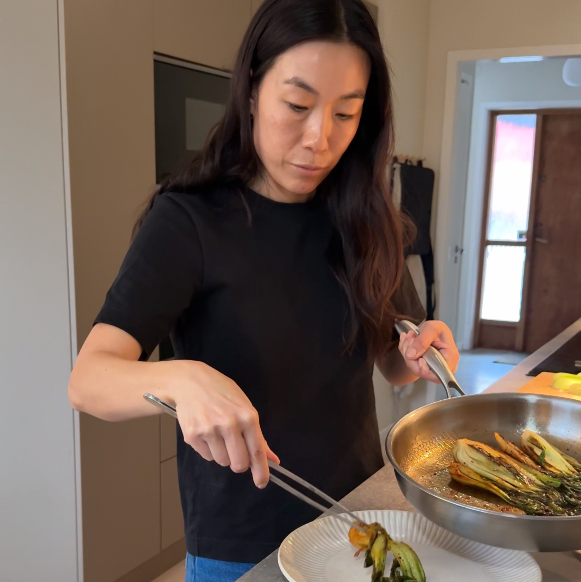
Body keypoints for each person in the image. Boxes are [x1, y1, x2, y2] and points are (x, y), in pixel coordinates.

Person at [68, 1, 460, 580]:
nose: (319, 139)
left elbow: (393, 361)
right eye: (297, 106)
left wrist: (425, 351)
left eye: (346, 114)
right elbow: (88, 381)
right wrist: (180, 378)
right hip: (239, 547)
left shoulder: (365, 218)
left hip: (354, 522)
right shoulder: (189, 223)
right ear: (251, 90)